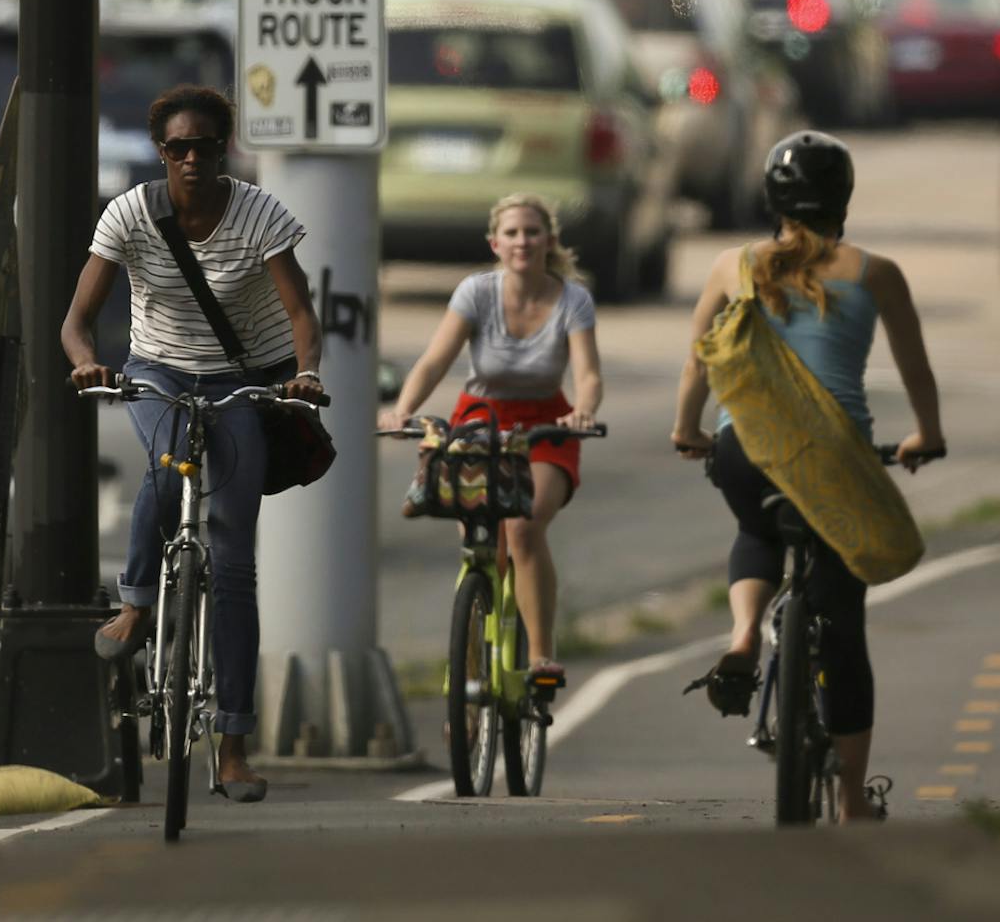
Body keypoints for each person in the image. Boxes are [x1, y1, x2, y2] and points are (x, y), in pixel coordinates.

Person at [670, 130, 945, 824]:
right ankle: (852, 798)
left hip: (744, 449)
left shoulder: (733, 264)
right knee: (843, 625)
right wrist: (926, 435)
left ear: (773, 198)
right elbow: (917, 370)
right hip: (835, 457)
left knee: (755, 523)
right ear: (843, 199)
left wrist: (688, 430)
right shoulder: (876, 272)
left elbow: (698, 360)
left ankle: (740, 635)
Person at [60, 84, 325, 804]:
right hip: (160, 370)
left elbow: (301, 310)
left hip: (244, 377)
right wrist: (86, 359)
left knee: (234, 559)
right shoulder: (131, 214)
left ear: (224, 149)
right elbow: (77, 318)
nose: (192, 159)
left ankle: (233, 748)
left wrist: (304, 373)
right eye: (178, 147)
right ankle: (139, 603)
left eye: (206, 146)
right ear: (160, 151)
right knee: (167, 465)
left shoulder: (259, 213)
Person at [377, 193, 603, 683]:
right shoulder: (476, 293)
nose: (523, 241)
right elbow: (435, 360)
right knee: (484, 545)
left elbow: (587, 374)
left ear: (549, 240)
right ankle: (470, 675)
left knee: (523, 527)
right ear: (495, 243)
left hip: (546, 426)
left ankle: (541, 656)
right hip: (480, 422)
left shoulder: (572, 300)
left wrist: (583, 411)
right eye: (513, 233)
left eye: (532, 232)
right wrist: (403, 410)